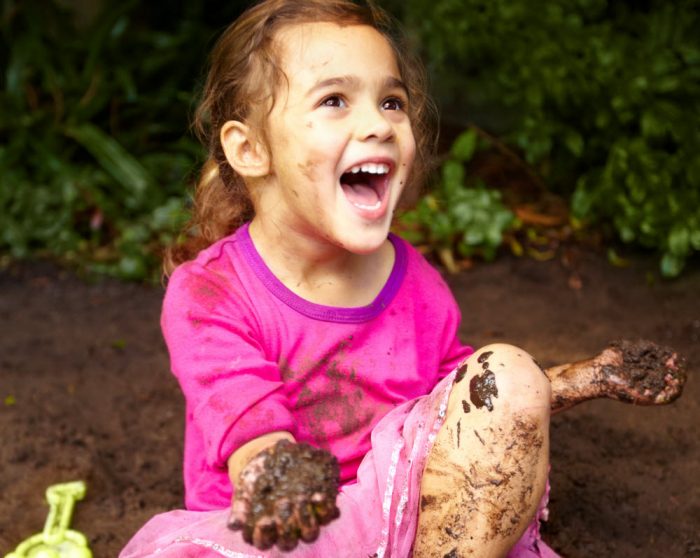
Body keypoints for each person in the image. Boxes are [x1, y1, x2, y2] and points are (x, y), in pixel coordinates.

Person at [120, 1, 685, 556]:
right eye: (335, 100)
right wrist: (285, 491)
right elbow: (255, 446)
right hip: (285, 534)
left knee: (505, 368)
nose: (379, 124)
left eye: (391, 102)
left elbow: (465, 403)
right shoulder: (211, 294)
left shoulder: (416, 283)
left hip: (409, 517)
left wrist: (589, 377)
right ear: (250, 149)